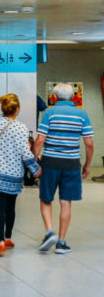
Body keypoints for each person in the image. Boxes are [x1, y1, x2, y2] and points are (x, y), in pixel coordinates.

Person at [0, 94, 40, 257]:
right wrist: (35, 168)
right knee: (11, 207)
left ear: (3, 109)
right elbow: (25, 152)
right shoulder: (22, 128)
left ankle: (1, 242)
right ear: (17, 110)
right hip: (14, 174)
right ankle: (9, 237)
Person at [34, 82, 95, 255]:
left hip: (51, 162)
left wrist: (33, 161)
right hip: (71, 164)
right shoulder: (82, 114)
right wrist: (88, 164)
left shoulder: (50, 112)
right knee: (65, 201)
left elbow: (40, 140)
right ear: (73, 97)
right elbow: (89, 143)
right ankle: (61, 243)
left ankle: (49, 232)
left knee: (46, 199)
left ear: (55, 97)